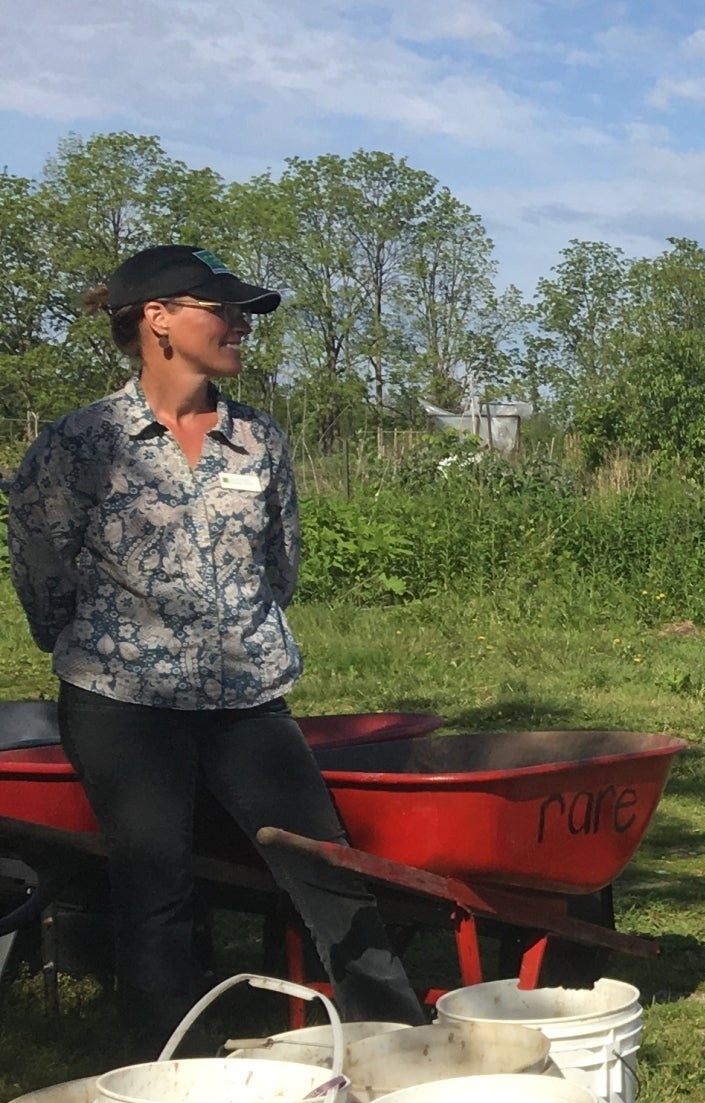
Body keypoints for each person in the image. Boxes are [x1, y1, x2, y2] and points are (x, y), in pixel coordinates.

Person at [4, 245, 425, 1053]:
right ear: (156, 319)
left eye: (243, 313)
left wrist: (235, 635)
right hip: (122, 704)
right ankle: (173, 1071)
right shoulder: (82, 443)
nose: (239, 325)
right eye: (220, 309)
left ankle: (405, 1047)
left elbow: (281, 564)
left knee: (327, 870)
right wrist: (100, 649)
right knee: (154, 888)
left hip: (246, 701)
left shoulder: (258, 440)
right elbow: (41, 567)